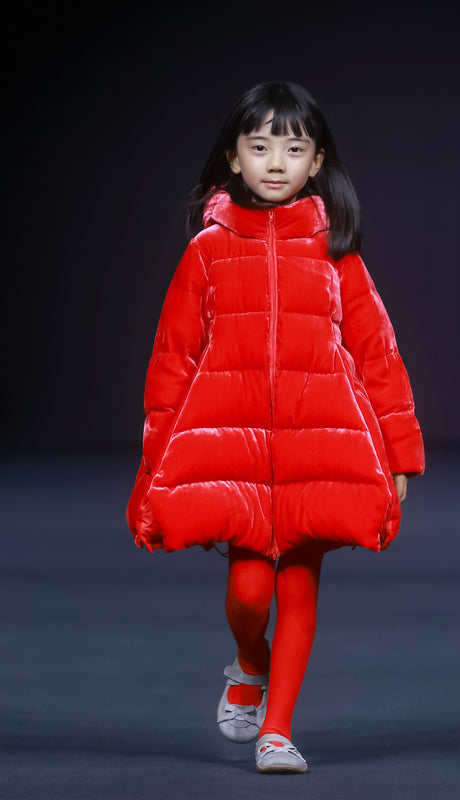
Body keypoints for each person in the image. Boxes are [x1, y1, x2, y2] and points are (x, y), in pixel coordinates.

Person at [126, 81, 425, 774]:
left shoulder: (335, 249)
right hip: (230, 449)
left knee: (297, 585)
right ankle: (247, 662)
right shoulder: (206, 250)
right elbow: (172, 359)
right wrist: (154, 464)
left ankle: (277, 730)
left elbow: (377, 352)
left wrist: (400, 453)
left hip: (321, 442)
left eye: (293, 149)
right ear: (233, 157)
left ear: (316, 162)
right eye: (259, 146)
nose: (275, 162)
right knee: (249, 593)